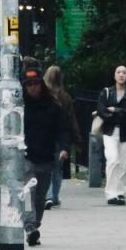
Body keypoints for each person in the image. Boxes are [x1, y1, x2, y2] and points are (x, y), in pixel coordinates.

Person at [21, 67, 70, 248]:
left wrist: (64, 148)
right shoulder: (20, 107)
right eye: (29, 85)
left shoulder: (52, 106)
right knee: (28, 193)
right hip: (26, 157)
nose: (33, 88)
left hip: (46, 157)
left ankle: (35, 225)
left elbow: (62, 129)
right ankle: (29, 227)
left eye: (36, 84)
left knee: (40, 196)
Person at [96, 65, 126, 205]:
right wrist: (118, 115)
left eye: (124, 72)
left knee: (124, 164)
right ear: (114, 75)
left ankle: (120, 193)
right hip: (110, 131)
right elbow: (101, 110)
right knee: (113, 159)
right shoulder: (106, 92)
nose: (121, 75)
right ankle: (111, 193)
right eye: (118, 72)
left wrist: (116, 111)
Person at [42, 66, 80, 209]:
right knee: (57, 168)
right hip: (59, 137)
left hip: (46, 136)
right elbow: (71, 119)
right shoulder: (65, 97)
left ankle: (48, 196)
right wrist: (75, 138)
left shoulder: (43, 96)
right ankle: (54, 196)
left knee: (47, 166)